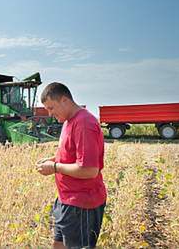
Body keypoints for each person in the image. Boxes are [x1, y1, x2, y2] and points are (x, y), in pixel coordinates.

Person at [36, 83, 106, 249]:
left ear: (64, 100)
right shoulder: (69, 121)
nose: (50, 113)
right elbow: (72, 155)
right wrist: (52, 159)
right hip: (66, 200)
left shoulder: (83, 123)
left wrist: (54, 167)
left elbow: (89, 170)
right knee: (58, 245)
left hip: (81, 205)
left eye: (51, 108)